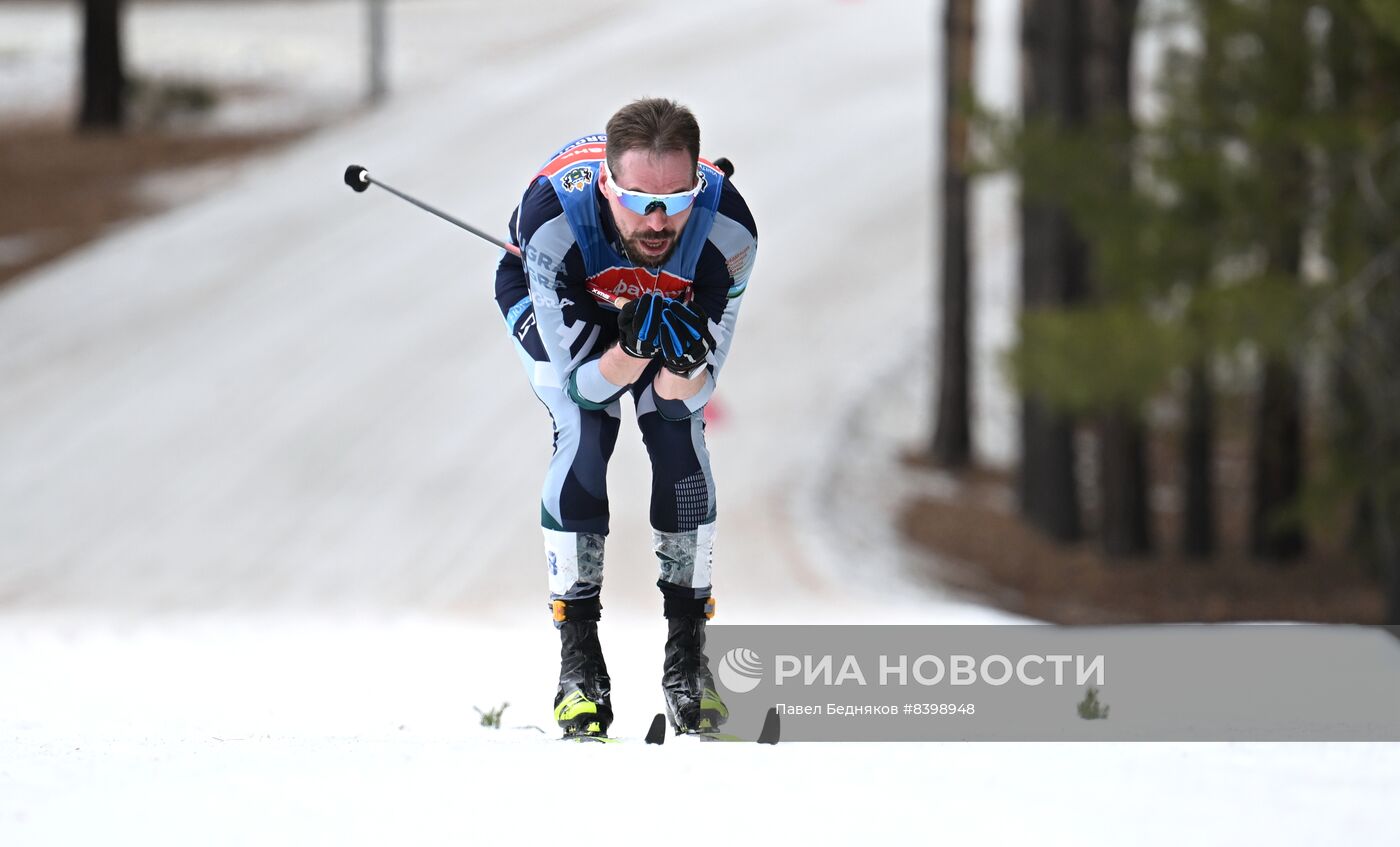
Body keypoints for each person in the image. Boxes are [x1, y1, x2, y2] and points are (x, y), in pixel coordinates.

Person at [493, 98, 757, 738]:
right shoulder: (553, 222)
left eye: (677, 197)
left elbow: (680, 398)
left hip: (671, 302)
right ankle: (578, 665)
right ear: (609, 184)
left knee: (678, 441)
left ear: (701, 181)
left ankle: (689, 662)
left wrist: (684, 354)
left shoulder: (728, 232)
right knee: (585, 436)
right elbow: (586, 388)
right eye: (639, 200)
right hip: (569, 297)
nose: (659, 220)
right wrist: (632, 346)